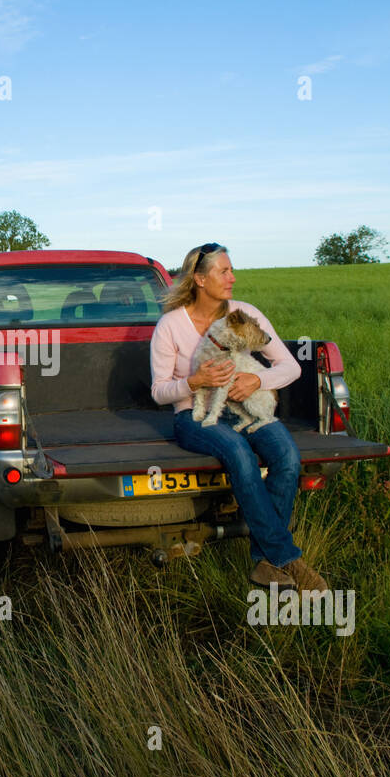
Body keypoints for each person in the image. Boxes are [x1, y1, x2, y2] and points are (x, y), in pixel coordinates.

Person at [149, 243, 328, 592]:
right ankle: (287, 558)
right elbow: (158, 391)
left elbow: (289, 366)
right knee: (240, 454)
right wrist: (193, 381)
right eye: (224, 272)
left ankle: (265, 563)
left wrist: (257, 380)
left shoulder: (245, 314)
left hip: (247, 410)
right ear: (200, 279)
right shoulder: (170, 325)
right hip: (196, 416)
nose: (233, 278)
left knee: (287, 457)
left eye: (231, 270)